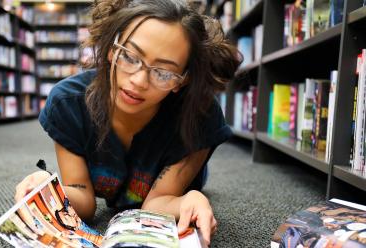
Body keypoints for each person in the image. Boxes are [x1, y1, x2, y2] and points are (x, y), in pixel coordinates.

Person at [15, 0, 240, 245]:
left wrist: (190, 199)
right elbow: (83, 199)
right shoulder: (69, 104)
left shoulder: (200, 117)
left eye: (163, 73)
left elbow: (156, 204)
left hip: (170, 183)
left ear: (182, 81)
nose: (139, 81)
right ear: (112, 49)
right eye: (130, 57)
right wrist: (48, 190)